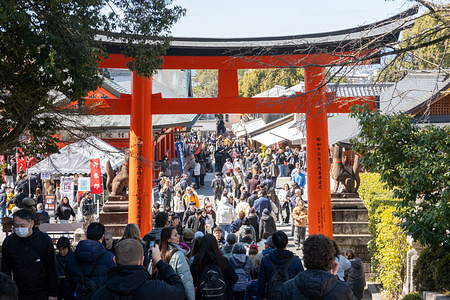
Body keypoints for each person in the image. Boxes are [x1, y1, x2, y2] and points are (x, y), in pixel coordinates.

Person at [92, 239, 185, 300]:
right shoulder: (155, 289)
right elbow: (180, 290)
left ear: (114, 261)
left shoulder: (101, 294)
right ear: (142, 261)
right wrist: (159, 261)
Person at [1, 209, 59, 300]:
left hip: (41, 292)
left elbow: (52, 267)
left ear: (31, 224)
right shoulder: (9, 242)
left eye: (22, 225)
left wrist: (53, 293)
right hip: (18, 292)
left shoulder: (44, 241)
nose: (19, 228)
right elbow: (5, 270)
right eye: (16, 226)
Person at [281, 234, 356, 300]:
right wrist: (333, 278)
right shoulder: (343, 290)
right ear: (330, 258)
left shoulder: (288, 287)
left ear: (305, 256)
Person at [65, 222, 115, 299]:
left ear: (86, 235)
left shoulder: (72, 257)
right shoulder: (109, 257)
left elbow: (68, 286)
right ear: (102, 237)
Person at [190, 234, 238, 300]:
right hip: (224, 295)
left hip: (203, 296)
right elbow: (233, 279)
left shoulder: (197, 262)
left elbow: (192, 281)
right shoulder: (223, 261)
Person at [258, 231, 304, 299]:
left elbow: (261, 282)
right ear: (287, 243)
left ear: (273, 243)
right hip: (290, 296)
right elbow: (302, 282)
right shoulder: (295, 260)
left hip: (272, 295)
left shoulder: (266, 259)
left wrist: (261, 297)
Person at [157, 227, 195, 300]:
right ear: (169, 239)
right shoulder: (178, 255)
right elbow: (186, 280)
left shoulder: (157, 253)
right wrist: (191, 298)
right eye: (175, 235)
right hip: (175, 293)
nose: (179, 236)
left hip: (160, 293)